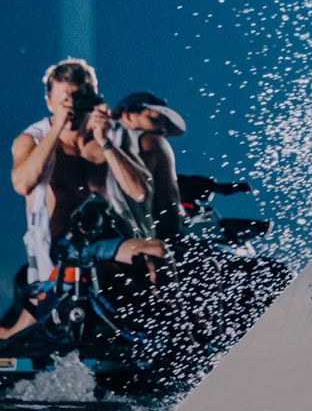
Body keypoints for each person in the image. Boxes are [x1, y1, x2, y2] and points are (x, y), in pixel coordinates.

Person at [2, 59, 165, 341]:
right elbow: (23, 183)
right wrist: (58, 128)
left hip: (107, 244)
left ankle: (167, 336)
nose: (73, 107)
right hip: (56, 254)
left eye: (80, 98)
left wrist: (105, 141)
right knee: (19, 334)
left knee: (157, 253)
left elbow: (140, 192)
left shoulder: (111, 135)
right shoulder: (33, 139)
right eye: (66, 99)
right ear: (49, 101)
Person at [108, 91, 187, 241]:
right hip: (133, 241)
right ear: (128, 115)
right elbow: (168, 206)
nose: (163, 130)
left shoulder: (88, 140)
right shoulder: (152, 141)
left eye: (166, 126)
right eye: (156, 120)